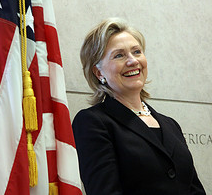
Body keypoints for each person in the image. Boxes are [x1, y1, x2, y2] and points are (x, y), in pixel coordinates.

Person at [72, 18, 206, 195]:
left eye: (136, 52)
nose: (132, 61)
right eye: (119, 55)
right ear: (99, 72)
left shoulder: (170, 125)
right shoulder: (92, 122)